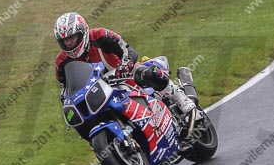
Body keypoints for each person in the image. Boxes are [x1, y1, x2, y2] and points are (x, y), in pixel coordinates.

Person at [53, 11, 196, 116]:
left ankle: (182, 100)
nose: (69, 43)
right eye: (65, 40)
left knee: (150, 73)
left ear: (82, 32)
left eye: (72, 38)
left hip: (123, 75)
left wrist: (124, 65)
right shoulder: (61, 62)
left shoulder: (100, 36)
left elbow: (128, 51)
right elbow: (65, 92)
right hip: (99, 93)